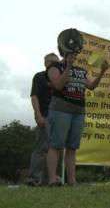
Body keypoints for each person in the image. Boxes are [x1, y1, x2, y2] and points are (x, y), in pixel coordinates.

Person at [46, 29, 109, 186]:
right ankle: (52, 179)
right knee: (56, 145)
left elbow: (91, 87)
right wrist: (68, 67)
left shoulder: (81, 70)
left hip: (78, 111)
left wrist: (102, 72)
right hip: (60, 109)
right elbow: (59, 85)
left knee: (72, 147)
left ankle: (72, 181)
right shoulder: (54, 67)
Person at [25, 53, 59, 186]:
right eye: (54, 62)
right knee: (41, 148)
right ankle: (34, 179)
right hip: (45, 116)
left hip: (58, 118)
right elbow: (34, 97)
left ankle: (48, 180)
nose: (57, 64)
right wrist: (38, 115)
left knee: (54, 150)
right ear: (47, 63)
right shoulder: (39, 77)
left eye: (58, 62)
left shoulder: (59, 78)